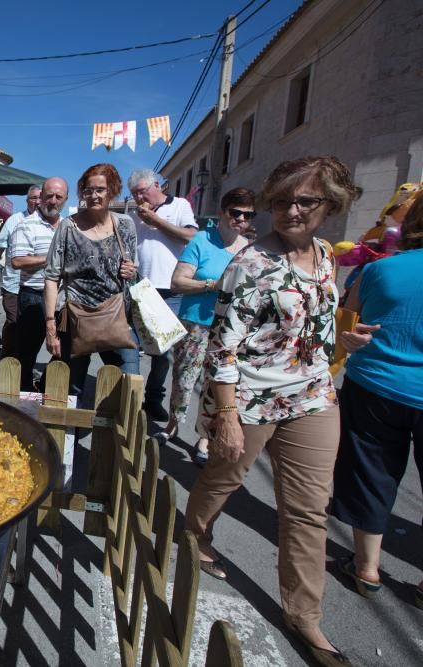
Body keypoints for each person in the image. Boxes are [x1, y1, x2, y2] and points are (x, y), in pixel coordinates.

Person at [183, 156, 358, 666]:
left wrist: (341, 341)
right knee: (222, 478)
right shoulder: (251, 263)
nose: (291, 211)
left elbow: (315, 323)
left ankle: (305, 618)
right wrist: (228, 416)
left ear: (331, 204)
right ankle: (195, 536)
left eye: (305, 201)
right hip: (251, 399)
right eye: (281, 201)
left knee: (308, 510)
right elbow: (223, 346)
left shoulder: (327, 256)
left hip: (313, 398)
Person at [331, 192, 423, 610]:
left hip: (376, 384)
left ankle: (367, 568)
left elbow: (348, 315)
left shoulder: (380, 269)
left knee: (371, 472)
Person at [161, 187, 255, 464]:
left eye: (247, 215)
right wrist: (212, 285)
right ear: (223, 213)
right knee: (184, 379)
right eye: (235, 212)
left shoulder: (248, 249)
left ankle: (204, 437)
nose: (240, 219)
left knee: (217, 384)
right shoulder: (203, 239)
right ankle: (172, 425)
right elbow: (177, 281)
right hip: (196, 323)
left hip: (229, 329)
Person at [43, 164, 138, 403]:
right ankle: (67, 440)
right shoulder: (68, 227)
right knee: (70, 391)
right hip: (76, 318)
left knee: (128, 387)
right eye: (88, 190)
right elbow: (52, 277)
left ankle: (116, 438)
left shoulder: (125, 225)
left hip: (116, 317)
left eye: (100, 189)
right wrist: (50, 325)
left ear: (113, 190)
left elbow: (132, 270)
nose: (94, 195)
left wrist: (131, 271)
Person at [129, 168, 198, 421]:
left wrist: (156, 221)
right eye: (135, 194)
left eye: (142, 191)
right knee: (131, 346)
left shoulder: (179, 205)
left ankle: (153, 398)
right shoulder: (135, 216)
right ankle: (130, 399)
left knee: (162, 351)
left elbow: (190, 236)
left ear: (157, 186)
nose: (139, 198)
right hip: (140, 289)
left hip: (170, 290)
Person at [11, 177, 66, 391]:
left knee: (65, 350)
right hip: (34, 296)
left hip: (63, 299)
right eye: (49, 196)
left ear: (65, 199)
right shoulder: (27, 226)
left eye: (58, 197)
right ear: (41, 198)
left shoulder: (69, 226)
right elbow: (18, 261)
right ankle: (23, 397)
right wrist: (52, 256)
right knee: (28, 353)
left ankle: (43, 387)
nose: (53, 201)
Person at [0, 185, 40, 359]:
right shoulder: (15, 220)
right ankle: (8, 361)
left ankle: (23, 365)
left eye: (40, 198)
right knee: (14, 322)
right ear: (27, 200)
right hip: (13, 284)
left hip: (37, 286)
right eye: (33, 198)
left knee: (32, 327)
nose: (37, 201)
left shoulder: (50, 222)